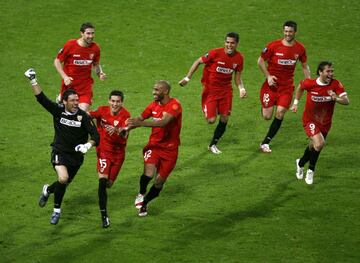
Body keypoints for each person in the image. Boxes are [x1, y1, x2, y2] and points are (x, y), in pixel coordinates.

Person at [24, 68, 100, 225]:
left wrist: (88, 145)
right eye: (72, 100)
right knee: (63, 178)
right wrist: (33, 80)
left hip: (76, 157)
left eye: (77, 100)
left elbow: (96, 136)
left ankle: (47, 190)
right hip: (59, 152)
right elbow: (41, 98)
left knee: (63, 183)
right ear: (64, 101)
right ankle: (56, 211)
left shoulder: (83, 117)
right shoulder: (58, 111)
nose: (76, 103)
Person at [179, 32, 247, 154]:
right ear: (224, 42)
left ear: (237, 44)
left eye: (232, 43)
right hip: (211, 90)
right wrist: (187, 78)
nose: (229, 45)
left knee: (225, 118)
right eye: (227, 42)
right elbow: (198, 61)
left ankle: (213, 145)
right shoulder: (215, 53)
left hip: (226, 91)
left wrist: (241, 89)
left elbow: (237, 77)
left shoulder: (239, 58)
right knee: (211, 120)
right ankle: (208, 108)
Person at [126, 80, 182, 217]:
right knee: (148, 174)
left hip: (170, 150)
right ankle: (141, 192)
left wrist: (142, 123)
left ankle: (145, 203)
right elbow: (140, 118)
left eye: (157, 90)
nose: (153, 92)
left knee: (158, 183)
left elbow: (163, 122)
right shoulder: (153, 106)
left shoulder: (174, 105)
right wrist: (127, 128)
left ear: (166, 91)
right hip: (154, 146)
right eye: (154, 89)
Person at [290, 61, 349, 184]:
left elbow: (346, 101)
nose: (331, 74)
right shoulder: (310, 83)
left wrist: (336, 98)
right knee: (320, 143)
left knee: (314, 146)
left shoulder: (335, 84)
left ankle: (300, 163)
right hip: (310, 120)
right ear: (320, 72)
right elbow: (300, 87)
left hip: (325, 122)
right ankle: (311, 171)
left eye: (332, 71)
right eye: (328, 71)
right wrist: (295, 103)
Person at [258, 20, 310, 153]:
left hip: (286, 87)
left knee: (280, 112)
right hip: (271, 86)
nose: (288, 34)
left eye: (290, 32)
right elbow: (260, 61)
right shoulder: (273, 46)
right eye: (286, 31)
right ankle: (266, 105)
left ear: (295, 32)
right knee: (267, 116)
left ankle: (265, 142)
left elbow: (304, 66)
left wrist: (309, 82)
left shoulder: (300, 48)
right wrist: (268, 76)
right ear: (283, 31)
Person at [88, 90, 130, 228]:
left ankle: (103, 203)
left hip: (118, 154)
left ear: (122, 103)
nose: (115, 104)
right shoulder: (102, 110)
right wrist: (94, 132)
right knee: (102, 181)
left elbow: (125, 135)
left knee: (108, 184)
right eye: (113, 101)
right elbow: (87, 115)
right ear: (109, 101)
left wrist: (117, 130)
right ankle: (104, 216)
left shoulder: (126, 116)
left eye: (118, 101)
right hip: (104, 151)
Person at [54, 22, 106, 111]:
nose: (91, 36)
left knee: (81, 113)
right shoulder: (70, 45)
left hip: (85, 87)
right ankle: (61, 98)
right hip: (69, 86)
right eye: (88, 33)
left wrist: (100, 73)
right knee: (68, 114)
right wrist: (65, 77)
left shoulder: (95, 48)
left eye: (92, 33)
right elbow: (57, 61)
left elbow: (95, 64)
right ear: (82, 33)